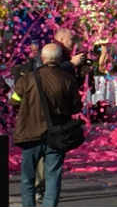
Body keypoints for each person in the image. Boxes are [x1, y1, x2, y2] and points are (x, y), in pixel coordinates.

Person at [11, 43, 81, 207]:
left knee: (28, 178)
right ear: (60, 59)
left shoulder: (27, 79)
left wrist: (26, 107)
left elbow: (14, 100)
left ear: (42, 58)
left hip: (30, 134)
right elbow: (76, 107)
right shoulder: (67, 79)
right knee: (53, 177)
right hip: (56, 135)